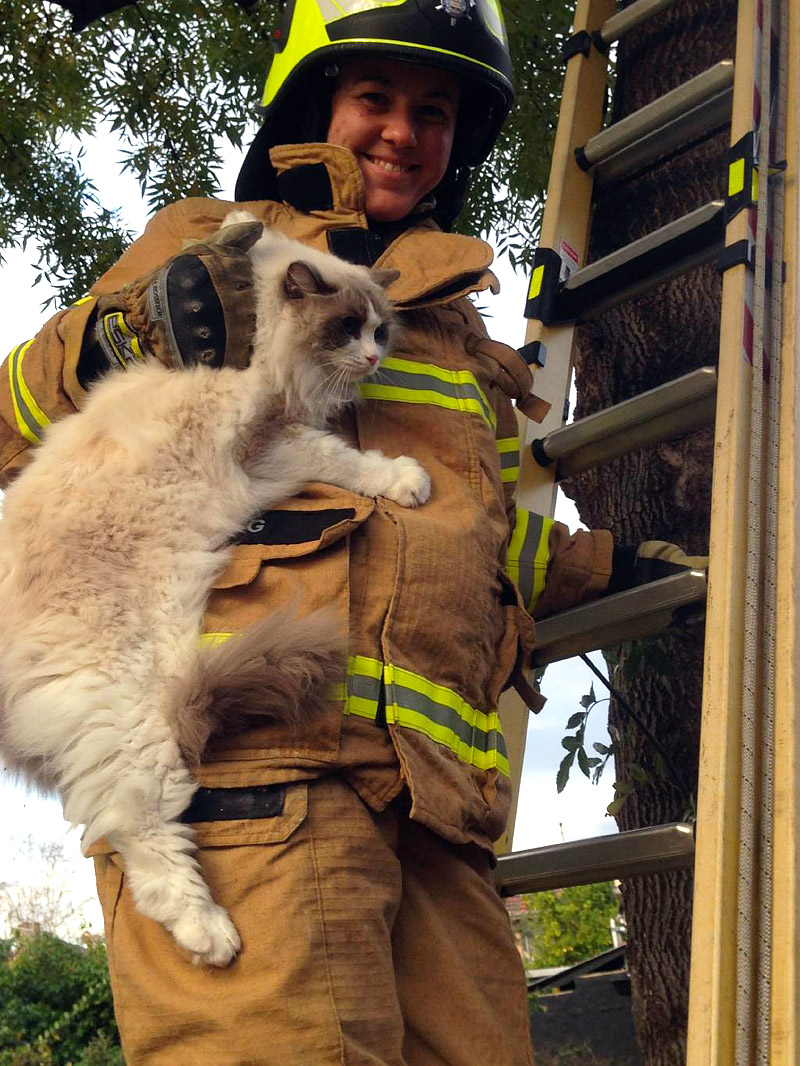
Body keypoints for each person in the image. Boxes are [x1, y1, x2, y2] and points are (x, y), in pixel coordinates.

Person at [0, 2, 703, 1062]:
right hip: (245, 779)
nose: (401, 132)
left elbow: (484, 541)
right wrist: (114, 337)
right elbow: (18, 428)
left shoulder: (460, 338)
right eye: (372, 97)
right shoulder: (211, 245)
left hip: (436, 814)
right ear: (311, 105)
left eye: (433, 111)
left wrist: (610, 566)